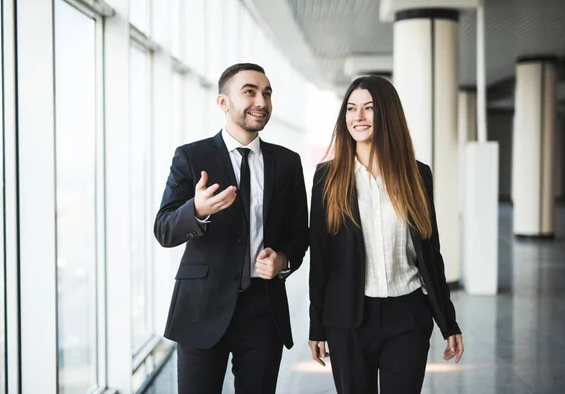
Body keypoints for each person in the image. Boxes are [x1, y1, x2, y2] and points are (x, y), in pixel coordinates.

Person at [154, 63, 309, 394]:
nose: (262, 102)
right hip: (201, 307)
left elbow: (300, 233)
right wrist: (195, 211)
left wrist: (284, 260)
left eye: (267, 93)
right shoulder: (191, 157)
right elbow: (164, 229)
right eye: (250, 92)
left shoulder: (287, 162)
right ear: (223, 103)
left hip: (263, 310)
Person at [308, 76, 464, 393]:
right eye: (351, 108)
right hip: (348, 319)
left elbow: (431, 254)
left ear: (388, 114)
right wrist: (316, 327)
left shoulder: (417, 175)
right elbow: (320, 258)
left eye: (369, 108)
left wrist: (448, 322)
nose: (358, 116)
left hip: (406, 316)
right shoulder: (327, 177)